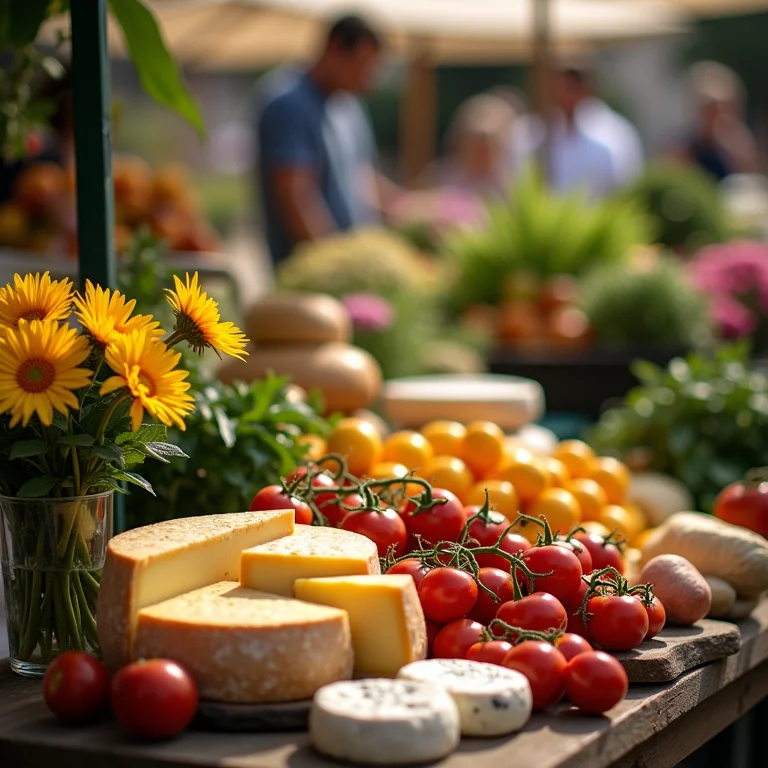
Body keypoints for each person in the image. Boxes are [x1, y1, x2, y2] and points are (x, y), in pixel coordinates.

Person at [254, 15, 392, 267]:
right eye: (361, 67)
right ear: (335, 48)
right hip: (307, 271)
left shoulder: (349, 106)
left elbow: (362, 178)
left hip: (349, 264)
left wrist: (409, 208)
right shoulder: (289, 104)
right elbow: (296, 198)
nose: (366, 80)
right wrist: (334, 265)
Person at [512, 66, 618, 200]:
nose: (563, 96)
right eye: (558, 89)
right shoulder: (531, 139)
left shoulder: (602, 146)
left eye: (570, 89)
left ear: (582, 93)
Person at [423, 93, 516, 199]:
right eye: (476, 147)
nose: (481, 155)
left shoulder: (509, 182)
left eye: (486, 148)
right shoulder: (440, 176)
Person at [679, 61, 758, 181]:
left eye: (723, 108)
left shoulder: (738, 144)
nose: (717, 116)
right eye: (710, 109)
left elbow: (750, 175)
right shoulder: (688, 148)